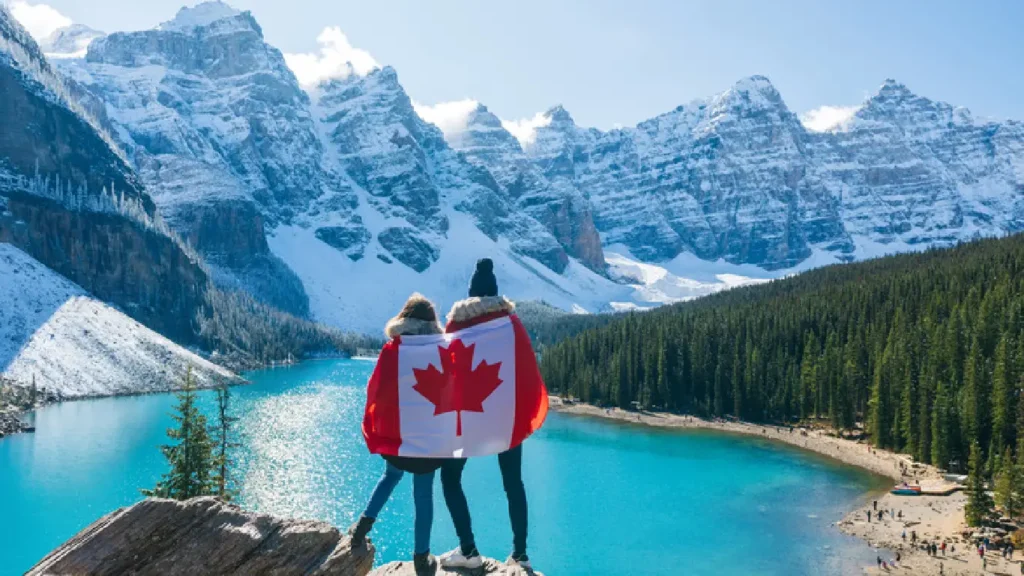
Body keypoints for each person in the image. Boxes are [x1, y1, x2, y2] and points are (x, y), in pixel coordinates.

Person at [438, 259, 534, 570]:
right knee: (513, 482)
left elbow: (444, 369)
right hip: (505, 416)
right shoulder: (511, 324)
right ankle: (520, 555)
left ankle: (469, 551)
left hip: (467, 416)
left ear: (470, 294)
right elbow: (526, 369)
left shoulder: (456, 325)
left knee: (450, 478)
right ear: (495, 294)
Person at [351, 294, 446, 574]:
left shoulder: (393, 349)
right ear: (432, 323)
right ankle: (421, 560)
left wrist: (377, 426)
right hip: (429, 442)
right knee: (424, 496)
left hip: (399, 439)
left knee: (389, 477)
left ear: (403, 320)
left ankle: (359, 530)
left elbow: (376, 389)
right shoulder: (442, 350)